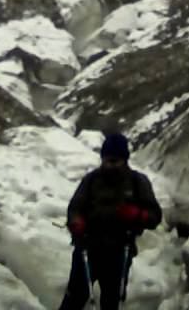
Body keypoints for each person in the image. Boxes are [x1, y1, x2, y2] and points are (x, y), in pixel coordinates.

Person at [57, 132, 162, 310]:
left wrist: (137, 215)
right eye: (107, 160)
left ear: (125, 159)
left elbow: (155, 216)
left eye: (115, 160)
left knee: (111, 302)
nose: (110, 164)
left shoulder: (137, 182)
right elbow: (75, 207)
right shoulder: (91, 180)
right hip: (88, 248)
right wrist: (76, 222)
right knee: (74, 299)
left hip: (119, 252)